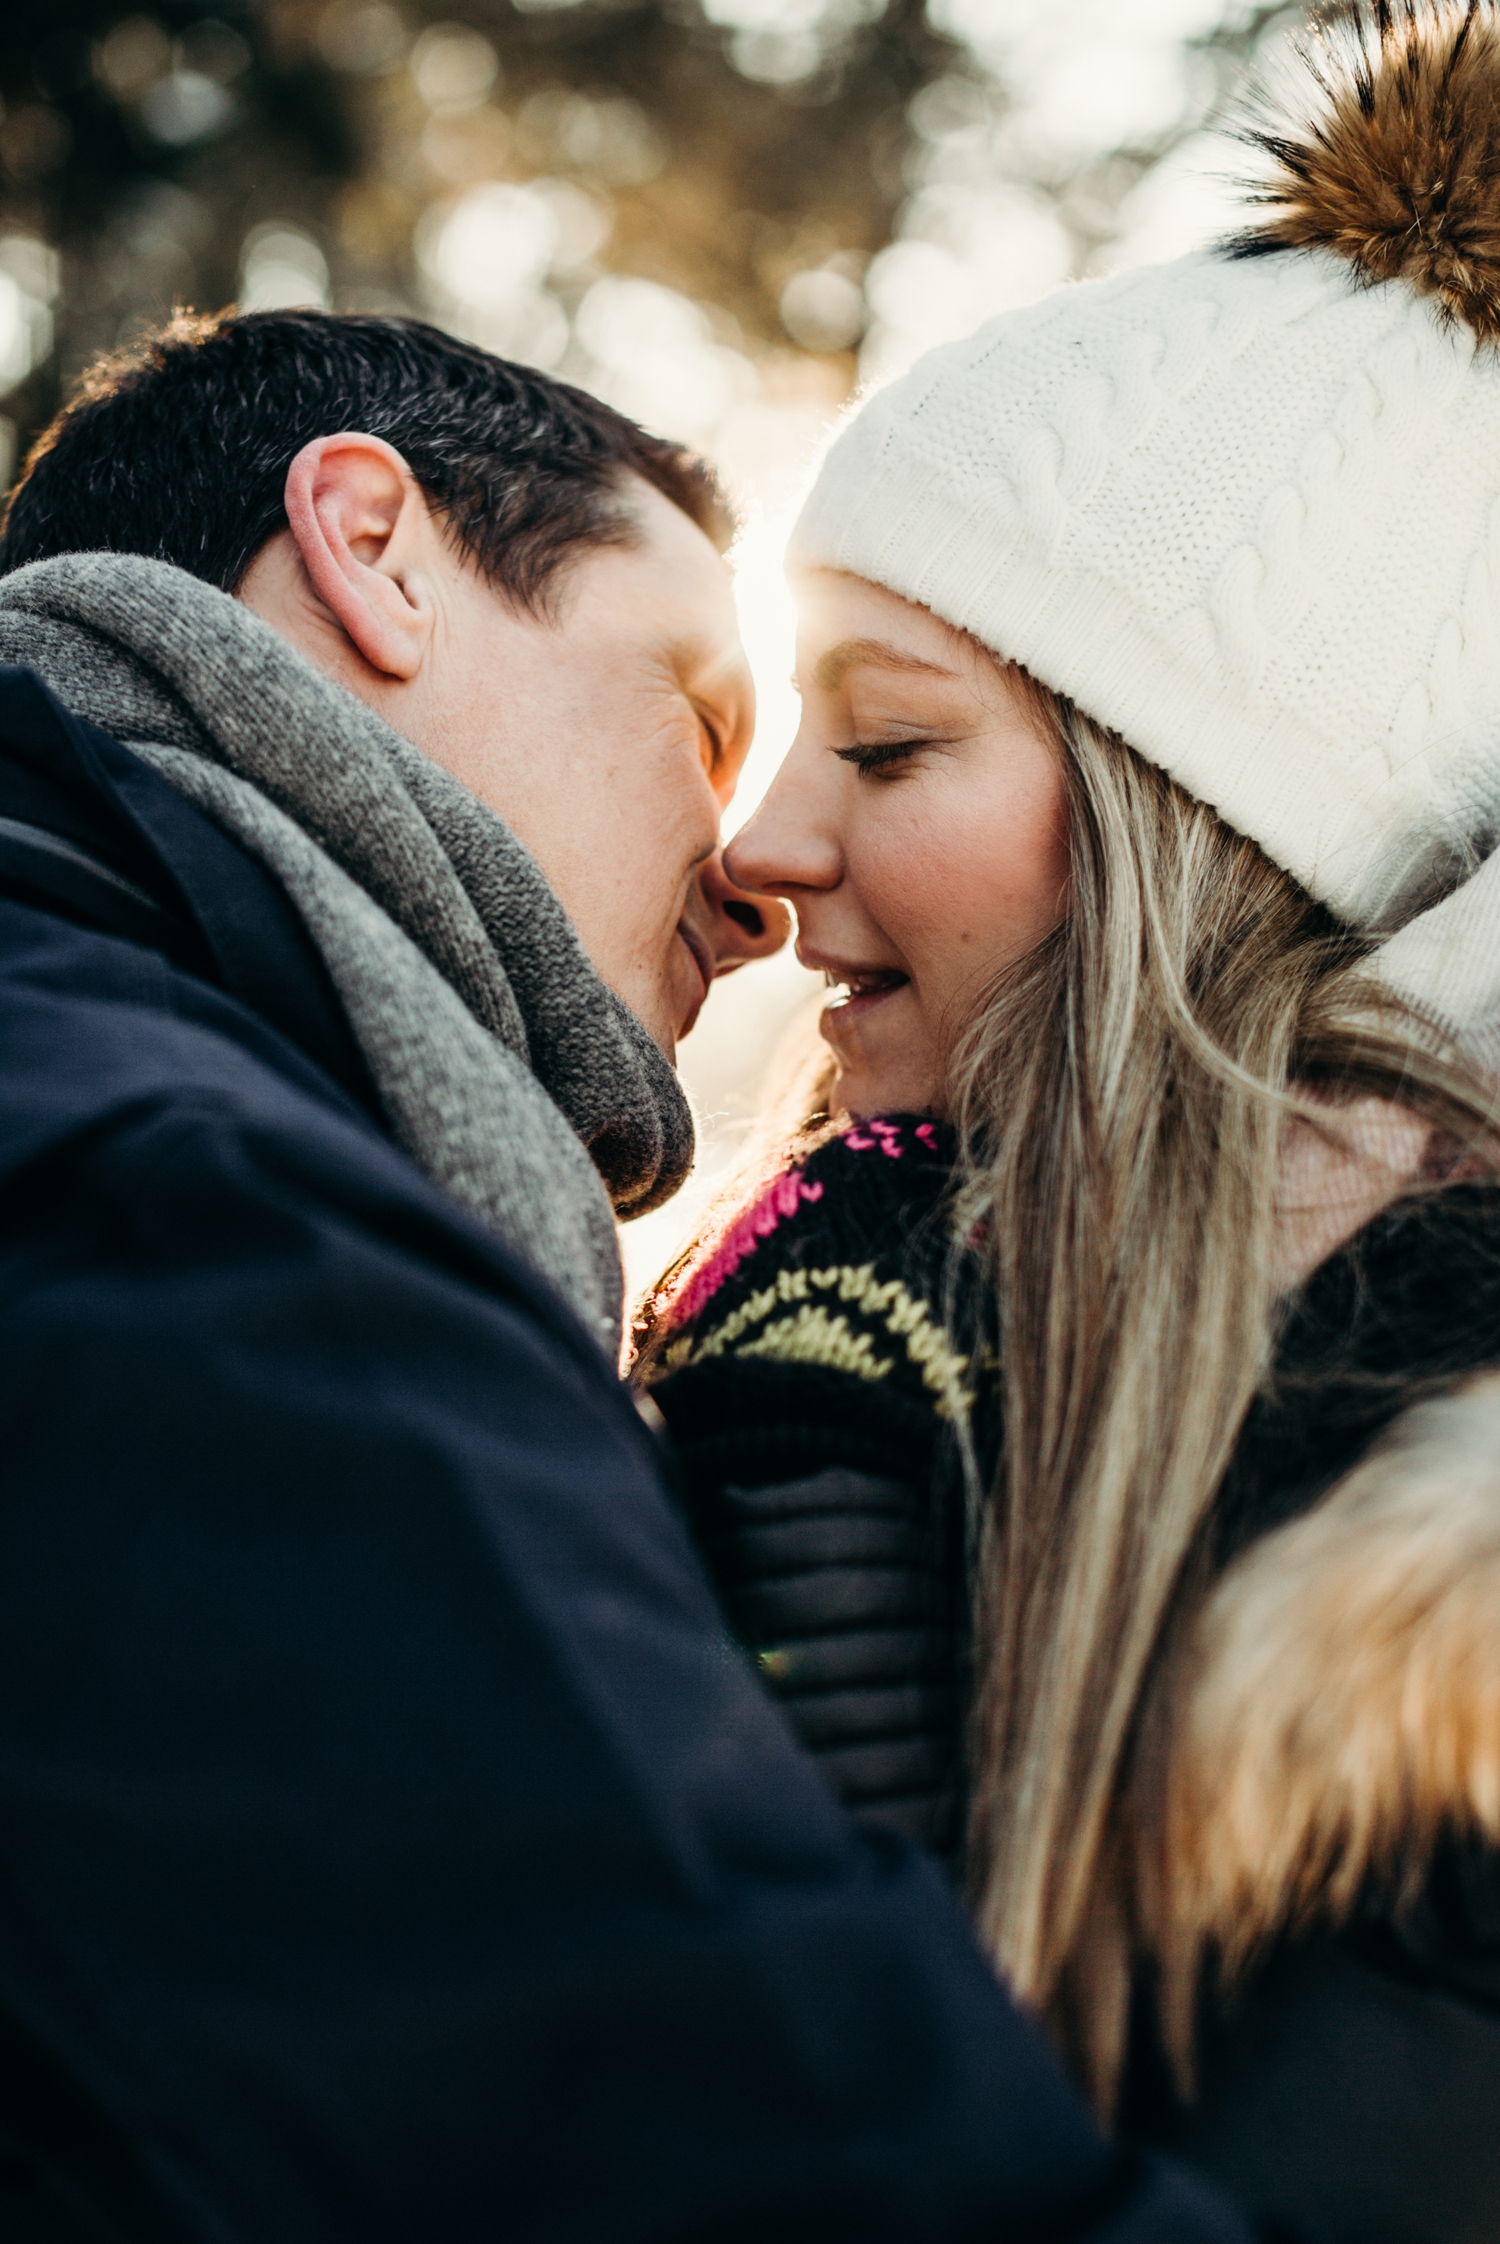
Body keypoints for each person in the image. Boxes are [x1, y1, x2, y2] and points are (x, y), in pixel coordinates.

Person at [0, 307, 1280, 2242]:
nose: (754, 875)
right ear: (375, 547)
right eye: (698, 712)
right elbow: (685, 2086)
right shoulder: (184, 1202)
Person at [638, 5, 1500, 2238]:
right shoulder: (865, 1292)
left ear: (1196, 832)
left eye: (889, 747)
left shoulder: (1434, 1500)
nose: (763, 843)